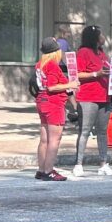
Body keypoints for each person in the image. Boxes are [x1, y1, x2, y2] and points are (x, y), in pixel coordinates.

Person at [72, 25, 112, 178]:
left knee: (102, 132)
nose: (103, 37)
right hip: (88, 97)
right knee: (84, 130)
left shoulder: (102, 53)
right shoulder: (84, 52)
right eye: (101, 34)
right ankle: (78, 164)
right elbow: (77, 74)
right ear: (95, 37)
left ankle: (103, 163)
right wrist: (95, 73)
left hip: (104, 96)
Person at [33, 37, 79, 181]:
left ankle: (41, 169)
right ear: (55, 51)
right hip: (53, 104)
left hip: (42, 101)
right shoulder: (52, 65)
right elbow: (52, 87)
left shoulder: (40, 64)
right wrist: (70, 84)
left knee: (44, 139)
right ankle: (49, 171)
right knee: (55, 139)